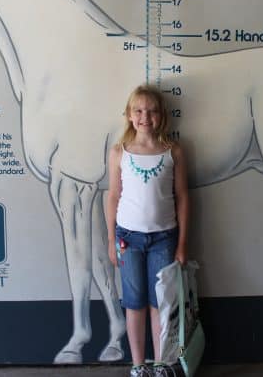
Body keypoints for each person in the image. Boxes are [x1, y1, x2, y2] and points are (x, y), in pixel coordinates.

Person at [106, 84, 190, 377]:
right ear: (129, 115)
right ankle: (138, 364)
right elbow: (113, 196)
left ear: (161, 116)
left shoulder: (173, 151)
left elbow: (182, 197)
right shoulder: (120, 152)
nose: (145, 116)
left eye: (152, 111)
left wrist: (181, 245)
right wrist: (110, 240)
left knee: (159, 305)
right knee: (134, 302)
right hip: (128, 240)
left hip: (164, 240)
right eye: (139, 110)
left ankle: (161, 363)